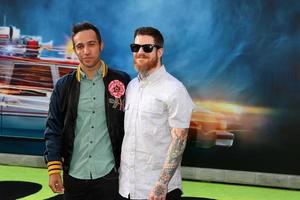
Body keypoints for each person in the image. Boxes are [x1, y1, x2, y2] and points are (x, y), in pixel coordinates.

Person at [44, 22, 130, 200]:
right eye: (80, 46)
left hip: (110, 175)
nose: (86, 51)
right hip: (74, 175)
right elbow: (53, 128)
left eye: (91, 44)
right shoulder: (63, 86)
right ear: (75, 50)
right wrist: (53, 169)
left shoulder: (121, 81)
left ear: (101, 45)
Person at [119, 27, 195, 200]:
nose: (140, 52)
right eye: (135, 47)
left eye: (147, 48)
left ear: (160, 52)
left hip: (159, 191)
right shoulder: (131, 87)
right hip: (127, 188)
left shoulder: (175, 90)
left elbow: (179, 140)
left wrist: (162, 184)